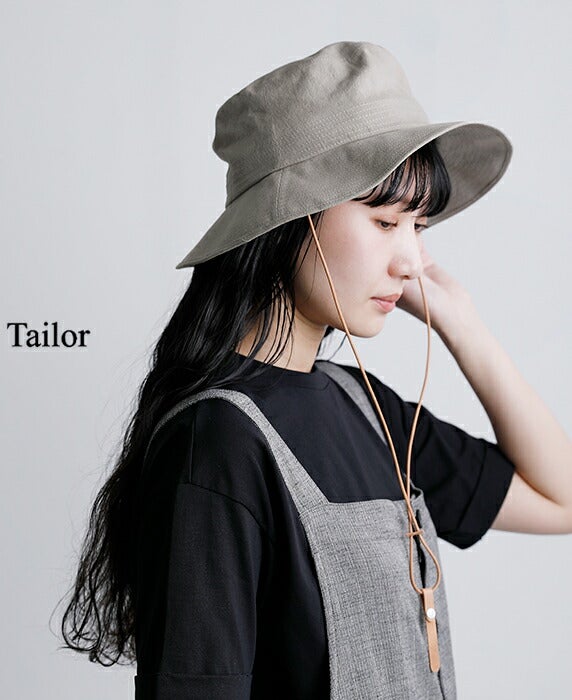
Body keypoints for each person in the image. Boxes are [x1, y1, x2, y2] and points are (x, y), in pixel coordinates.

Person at [60, 42, 572, 699]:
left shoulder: (364, 406)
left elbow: (561, 499)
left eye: (418, 226)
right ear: (288, 219)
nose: (411, 261)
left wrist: (463, 326)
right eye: (384, 221)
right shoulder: (217, 442)